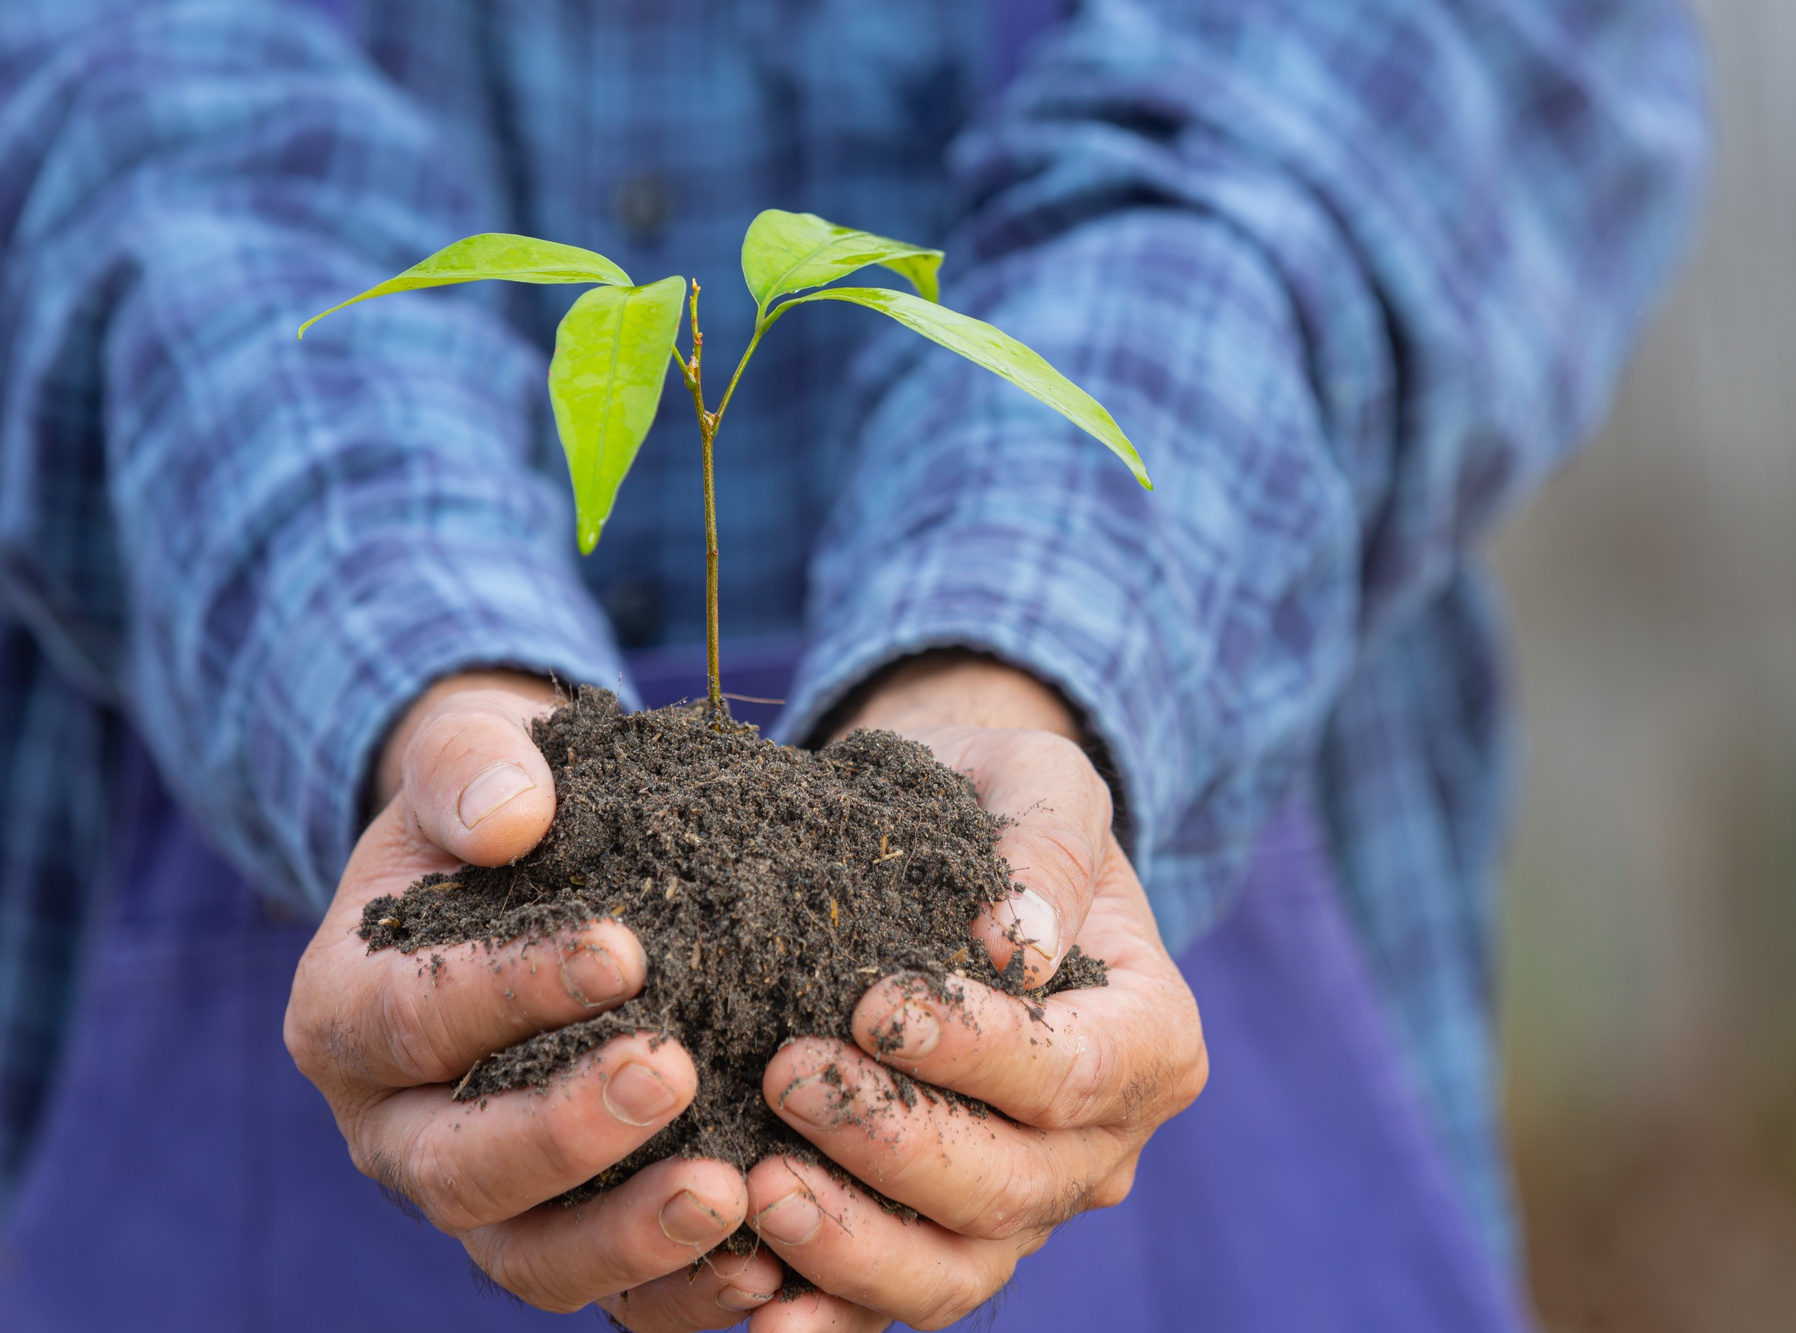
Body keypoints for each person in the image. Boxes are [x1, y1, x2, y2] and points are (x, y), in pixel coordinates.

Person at [0, 1, 1707, 1329]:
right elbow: (119, 125)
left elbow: (1373, 99)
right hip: (215, 937)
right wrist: (394, 637)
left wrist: (1032, 643)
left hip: (1211, 936)